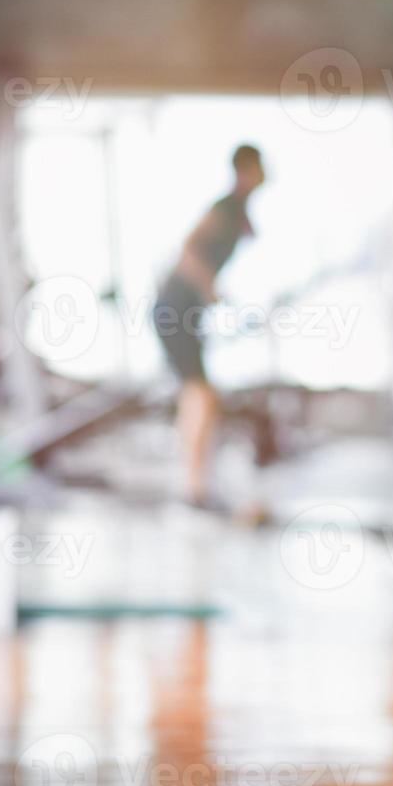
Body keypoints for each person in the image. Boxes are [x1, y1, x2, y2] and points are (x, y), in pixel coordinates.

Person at [152, 144, 266, 511]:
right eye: (260, 167)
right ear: (246, 169)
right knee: (199, 394)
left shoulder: (238, 211)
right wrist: (210, 289)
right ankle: (194, 487)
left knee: (199, 395)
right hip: (175, 308)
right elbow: (189, 251)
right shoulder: (224, 209)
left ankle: (196, 484)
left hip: (187, 310)